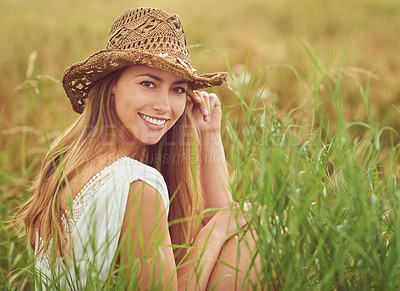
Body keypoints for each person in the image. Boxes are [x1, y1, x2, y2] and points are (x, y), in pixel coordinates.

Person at [16, 7, 260, 290]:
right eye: (148, 83)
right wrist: (216, 232)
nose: (164, 106)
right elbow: (224, 226)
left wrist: (209, 135)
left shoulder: (68, 161)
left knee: (244, 233)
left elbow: (223, 221)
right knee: (253, 238)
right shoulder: (136, 183)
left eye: (178, 89)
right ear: (112, 86)